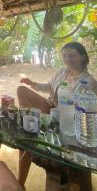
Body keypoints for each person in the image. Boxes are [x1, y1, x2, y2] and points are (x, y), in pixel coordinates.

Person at [17, 42, 97, 189]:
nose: (67, 59)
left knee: (29, 145)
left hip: (68, 119)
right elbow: (49, 86)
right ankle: (29, 122)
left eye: (72, 55)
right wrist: (33, 83)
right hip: (50, 107)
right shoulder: (62, 71)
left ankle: (38, 128)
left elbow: (87, 109)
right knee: (21, 90)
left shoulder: (88, 81)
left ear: (83, 57)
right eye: (65, 55)